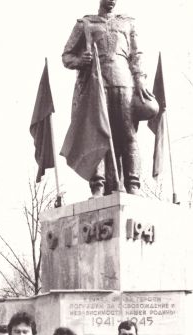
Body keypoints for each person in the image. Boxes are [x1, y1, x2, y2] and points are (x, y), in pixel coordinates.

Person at [62, 0, 157, 197]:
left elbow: (136, 55)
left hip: (125, 84)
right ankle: (98, 186)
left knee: (128, 135)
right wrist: (80, 61)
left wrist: (140, 81)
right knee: (97, 135)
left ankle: (133, 185)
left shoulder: (127, 23)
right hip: (96, 86)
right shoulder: (85, 24)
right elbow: (67, 56)